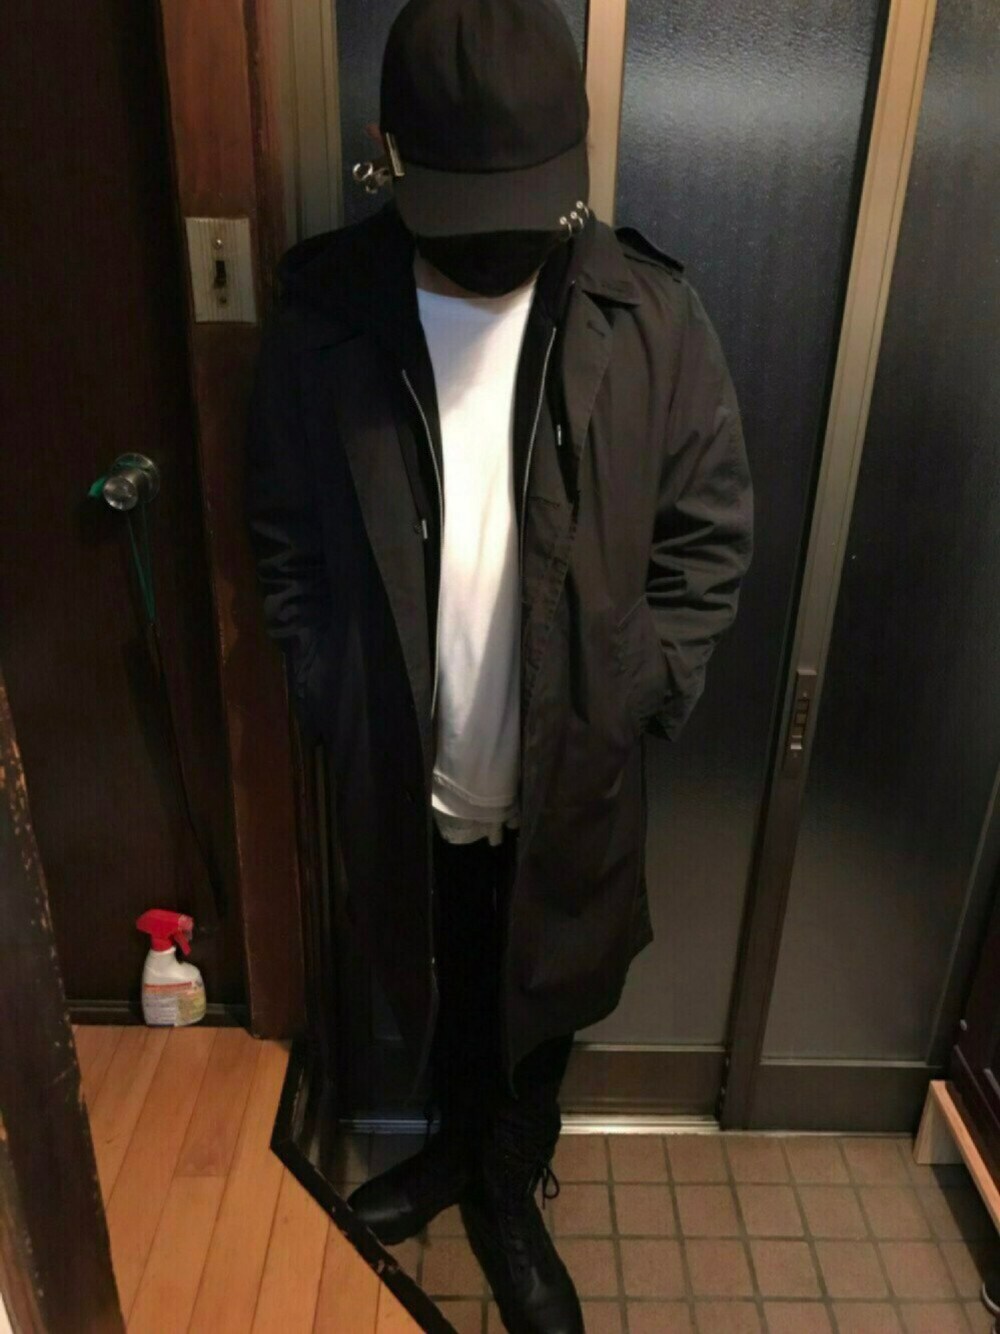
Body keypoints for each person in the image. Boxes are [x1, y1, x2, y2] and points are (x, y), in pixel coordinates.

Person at [245, 0, 754, 1328]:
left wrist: (637, 690)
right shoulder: (326, 316)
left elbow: (710, 533)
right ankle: (449, 1151)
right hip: (404, 763)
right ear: (390, 155)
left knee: (542, 986)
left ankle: (507, 1185)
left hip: (571, 767)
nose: (499, 240)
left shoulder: (647, 313)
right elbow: (284, 530)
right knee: (441, 969)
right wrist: (331, 693)